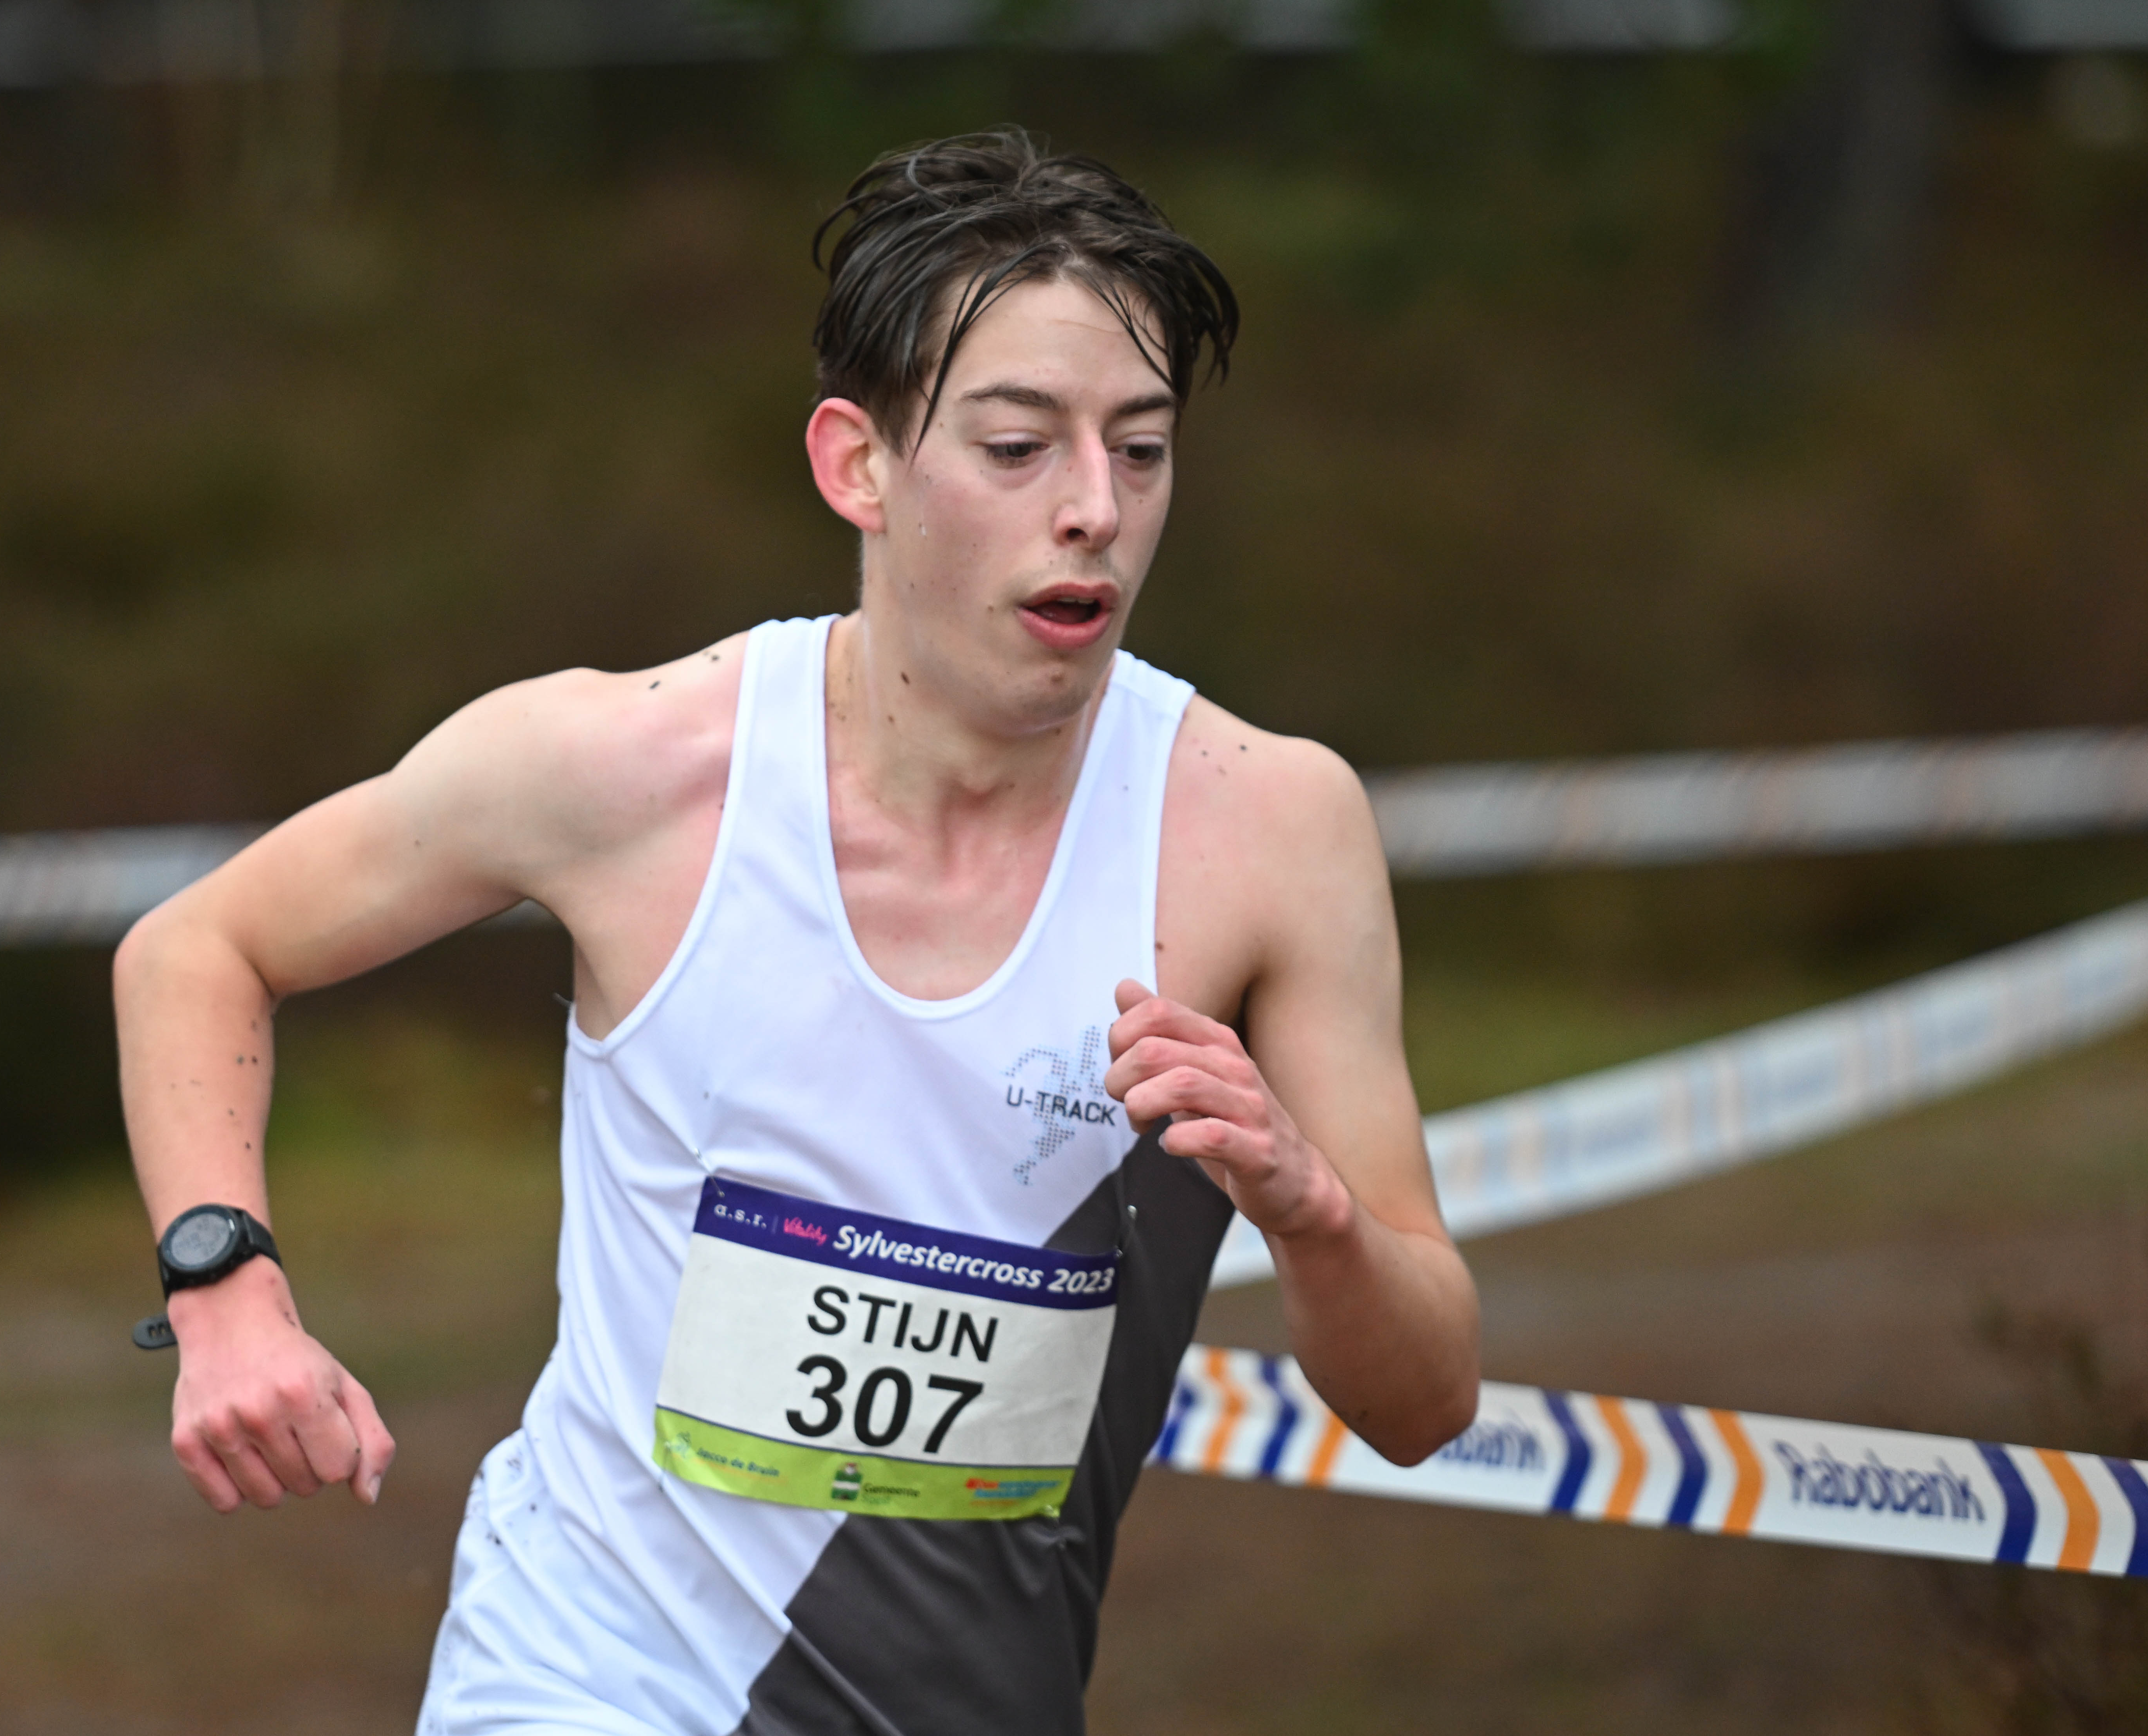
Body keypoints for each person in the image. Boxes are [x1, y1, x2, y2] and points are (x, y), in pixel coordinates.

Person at [114, 127, 1480, 1736]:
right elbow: (198, 949)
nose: (1094, 511)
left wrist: (1310, 1211)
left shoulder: (1267, 828)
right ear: (858, 465)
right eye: (1017, 446)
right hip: (582, 1674)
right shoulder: (630, 767)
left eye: (1142, 449)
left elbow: (1424, 1402)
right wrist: (227, 1287)